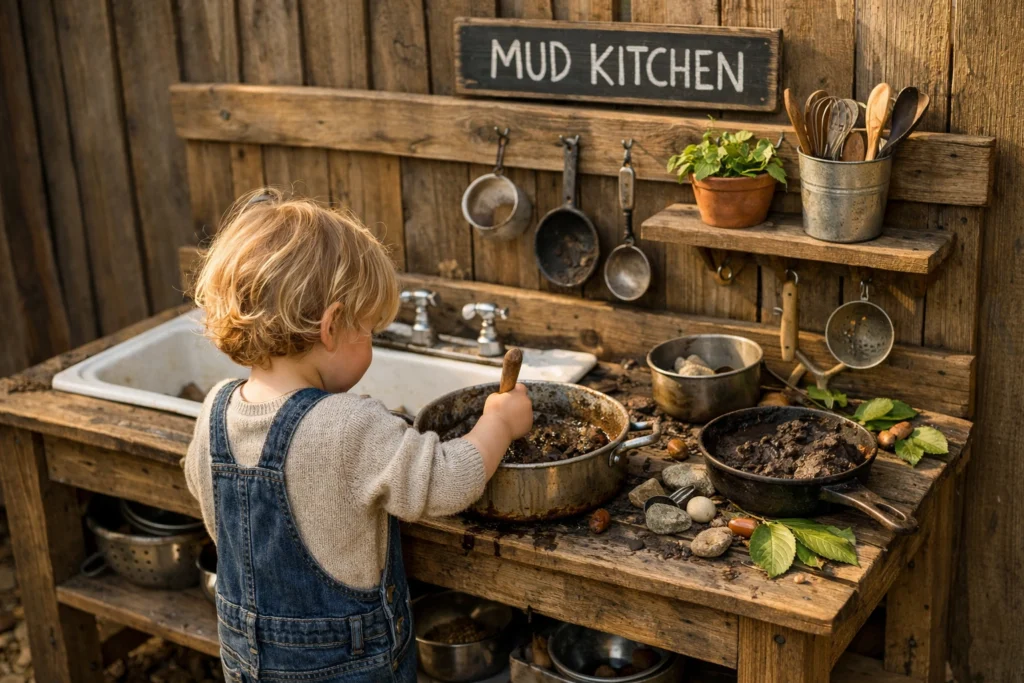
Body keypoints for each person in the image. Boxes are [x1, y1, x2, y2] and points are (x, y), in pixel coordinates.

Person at [184, 188, 533, 682]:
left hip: (246, 658)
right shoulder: (350, 425)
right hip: (345, 665)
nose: (371, 341)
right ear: (330, 328)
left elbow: (210, 499)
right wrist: (500, 421)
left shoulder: (215, 407)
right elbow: (447, 480)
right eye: (369, 329)